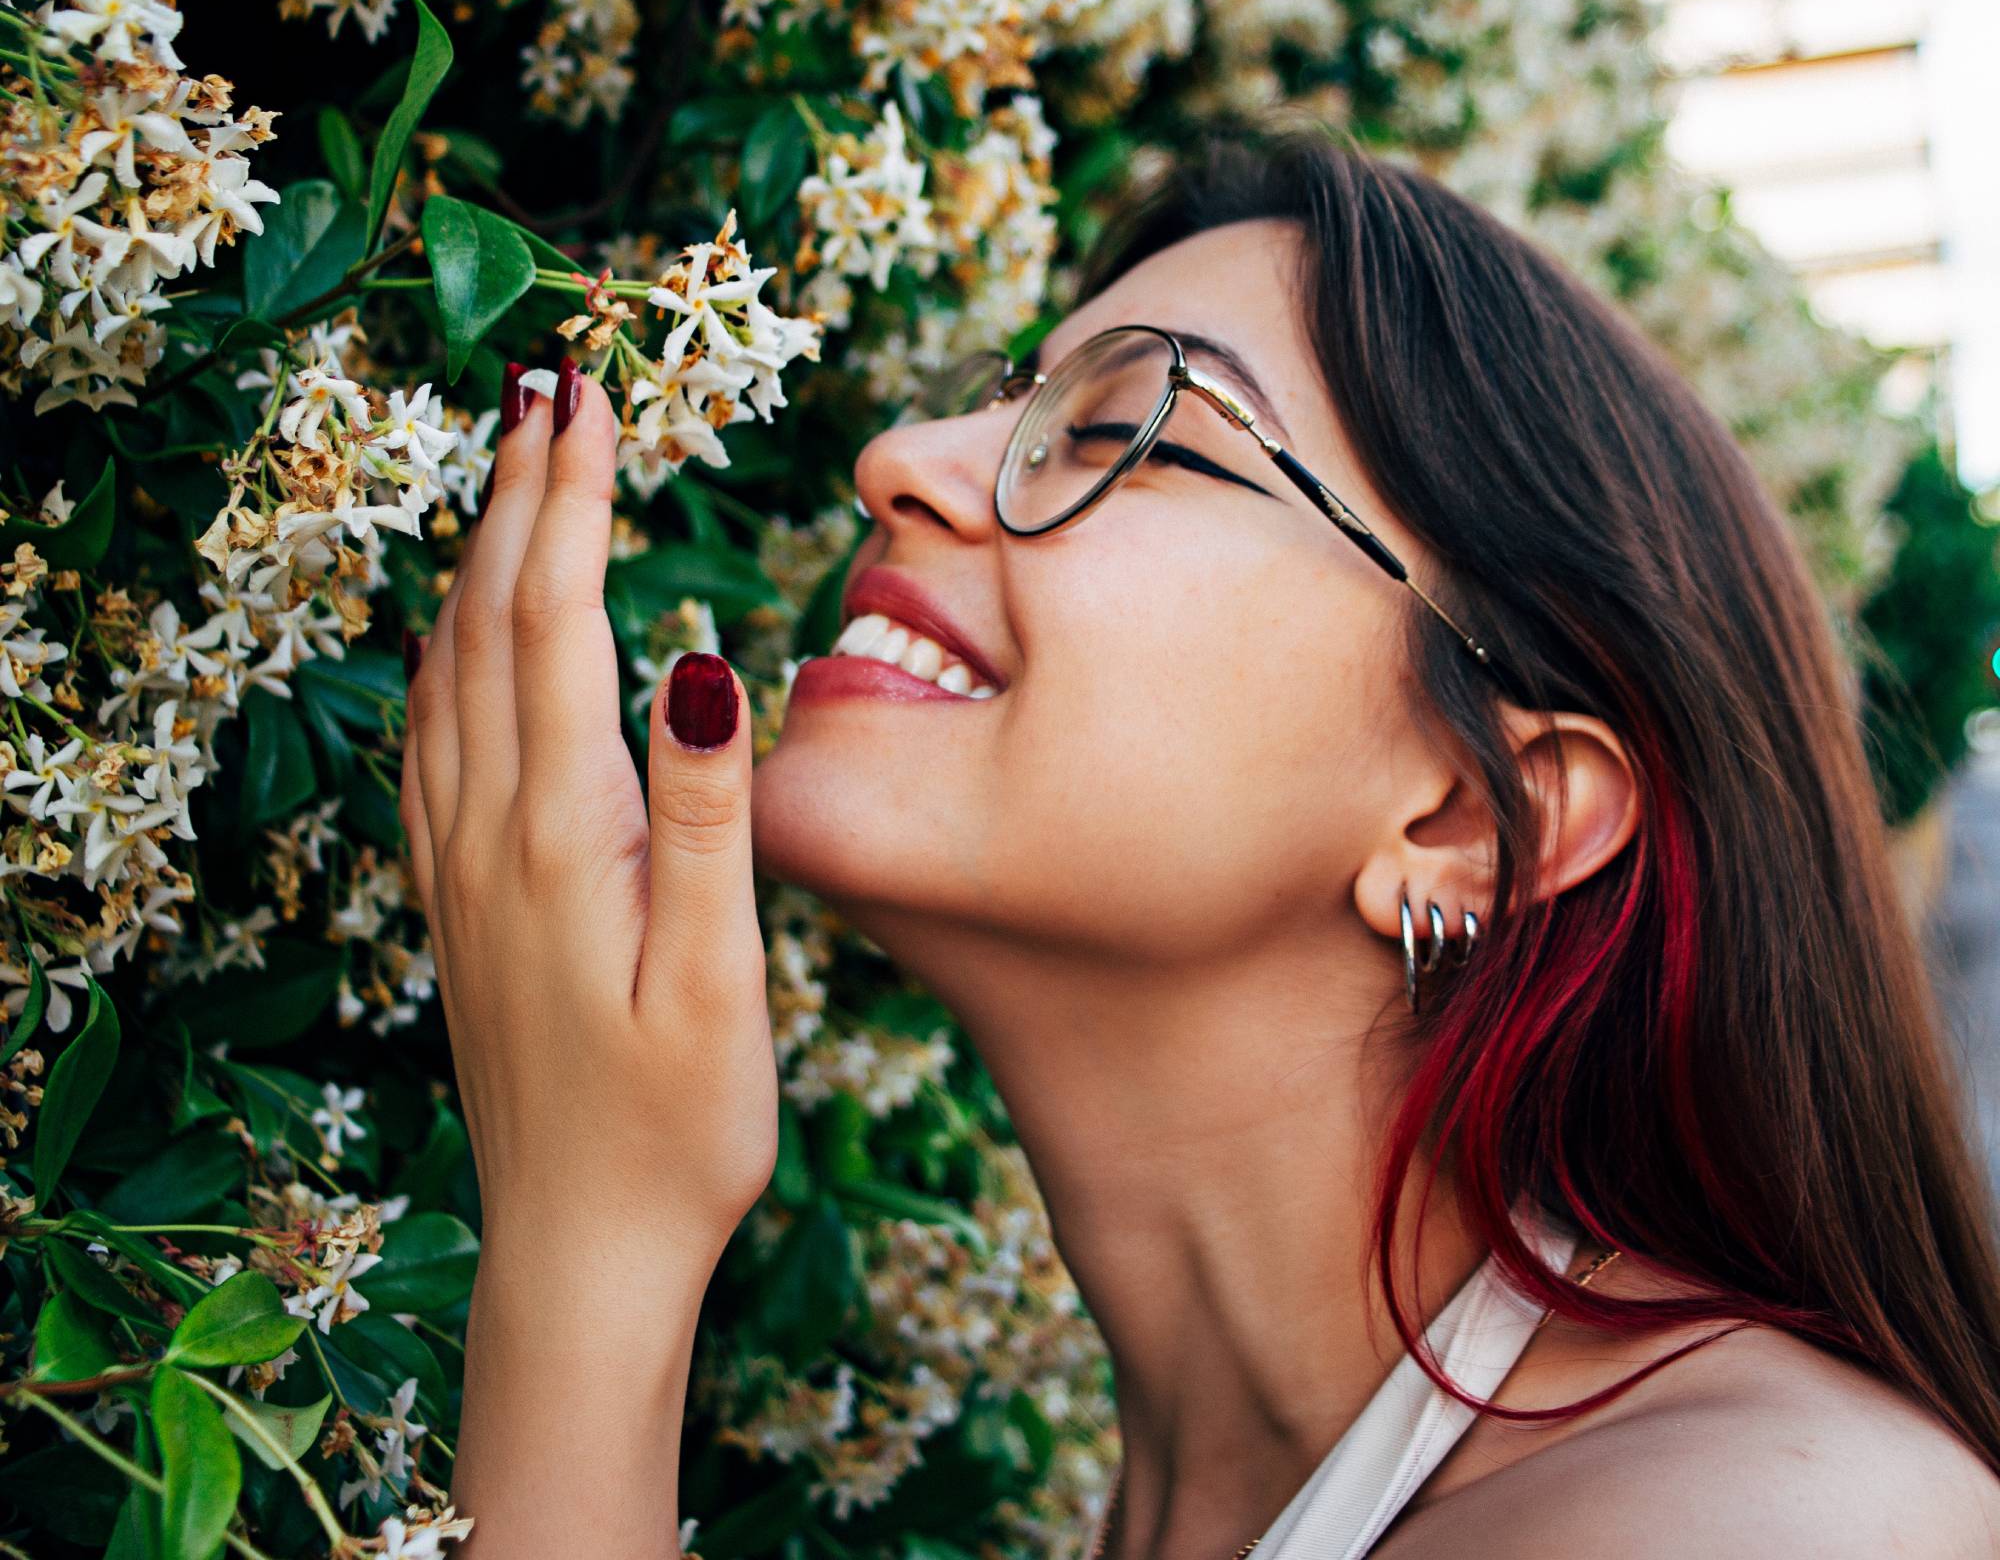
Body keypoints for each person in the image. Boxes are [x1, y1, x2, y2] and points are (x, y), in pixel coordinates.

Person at [401, 128, 2000, 1559]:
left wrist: (588, 1268)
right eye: (1008, 398)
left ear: (1465, 819)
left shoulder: (1773, 1523)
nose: (903, 458)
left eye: (1137, 437)